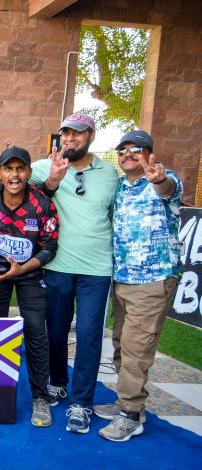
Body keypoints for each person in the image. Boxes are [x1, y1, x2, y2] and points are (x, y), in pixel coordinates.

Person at [29, 112, 119, 434]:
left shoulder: (110, 174)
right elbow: (13, 185)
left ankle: (81, 403)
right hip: (58, 265)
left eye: (78, 133)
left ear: (91, 136)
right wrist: (52, 181)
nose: (70, 138)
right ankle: (57, 382)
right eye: (66, 132)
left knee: (90, 334)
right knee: (55, 331)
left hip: (97, 269)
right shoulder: (44, 166)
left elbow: (117, 215)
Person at [94, 130, 183, 442]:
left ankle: (131, 415)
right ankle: (127, 404)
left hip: (153, 280)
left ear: (149, 153)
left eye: (136, 149)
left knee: (136, 349)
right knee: (122, 345)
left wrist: (159, 180)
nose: (128, 154)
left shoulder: (164, 178)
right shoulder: (121, 186)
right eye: (123, 150)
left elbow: (167, 189)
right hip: (123, 278)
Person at [0, 147, 59, 427]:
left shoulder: (42, 204)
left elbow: (49, 247)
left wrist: (23, 268)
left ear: (29, 173)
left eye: (21, 168)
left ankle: (41, 397)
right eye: (9, 168)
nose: (15, 174)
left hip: (29, 274)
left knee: (35, 330)